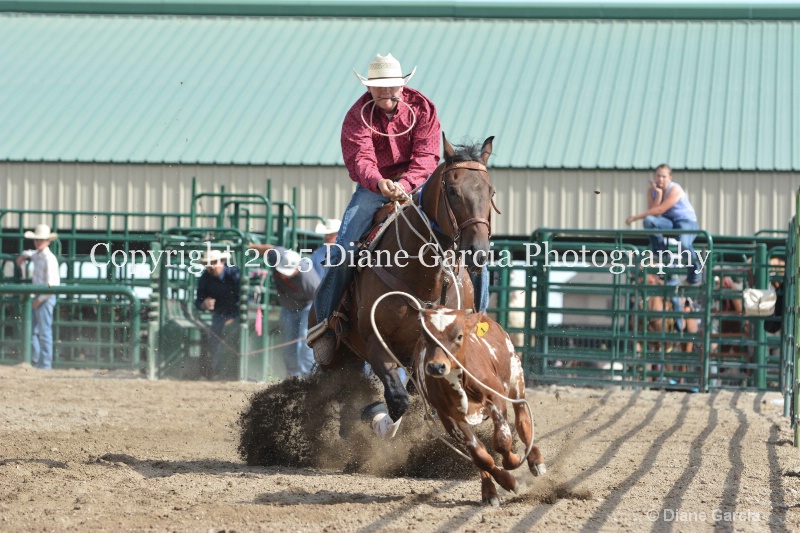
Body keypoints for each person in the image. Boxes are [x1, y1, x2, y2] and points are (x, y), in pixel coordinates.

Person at [308, 52, 488, 358]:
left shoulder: (422, 108)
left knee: (474, 244)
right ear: (369, 88)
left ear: (401, 86)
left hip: (420, 185)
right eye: (379, 85)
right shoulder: (358, 116)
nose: (386, 90)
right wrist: (380, 183)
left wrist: (405, 185)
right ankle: (327, 322)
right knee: (345, 247)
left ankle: (479, 324)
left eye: (391, 84)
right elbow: (359, 157)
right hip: (374, 187)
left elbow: (428, 154)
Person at [249, 244, 321, 377]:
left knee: (305, 343)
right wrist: (251, 247)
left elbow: (320, 301)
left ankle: (308, 376)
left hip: (307, 308)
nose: (282, 275)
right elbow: (269, 249)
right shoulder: (277, 255)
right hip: (288, 307)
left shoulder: (308, 279)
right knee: (288, 343)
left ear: (297, 269)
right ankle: (292, 376)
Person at [626, 164, 701, 286]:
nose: (660, 179)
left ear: (670, 178)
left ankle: (695, 275)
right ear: (654, 177)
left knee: (684, 244)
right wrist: (659, 195)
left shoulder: (675, 189)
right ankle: (661, 254)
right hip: (668, 222)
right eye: (658, 176)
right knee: (648, 221)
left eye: (664, 176)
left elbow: (660, 210)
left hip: (685, 221)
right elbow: (653, 213)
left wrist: (635, 217)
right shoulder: (652, 191)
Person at [15, 224, 61, 370]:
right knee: (37, 331)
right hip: (40, 299)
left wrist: (39, 299)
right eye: (37, 240)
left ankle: (43, 363)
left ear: (48, 241)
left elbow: (53, 285)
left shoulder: (49, 259)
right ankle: (38, 361)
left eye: (41, 240)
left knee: (42, 332)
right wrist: (24, 255)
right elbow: (30, 253)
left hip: (44, 299)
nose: (38, 242)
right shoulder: (38, 255)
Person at [194, 249, 241, 379]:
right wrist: (204, 304)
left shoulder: (234, 274)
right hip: (220, 314)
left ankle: (231, 373)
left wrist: (234, 317)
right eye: (208, 263)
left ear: (222, 262)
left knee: (232, 340)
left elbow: (244, 297)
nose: (211, 266)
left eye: (214, 262)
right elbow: (198, 300)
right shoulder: (205, 278)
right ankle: (217, 373)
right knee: (215, 341)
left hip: (238, 314)